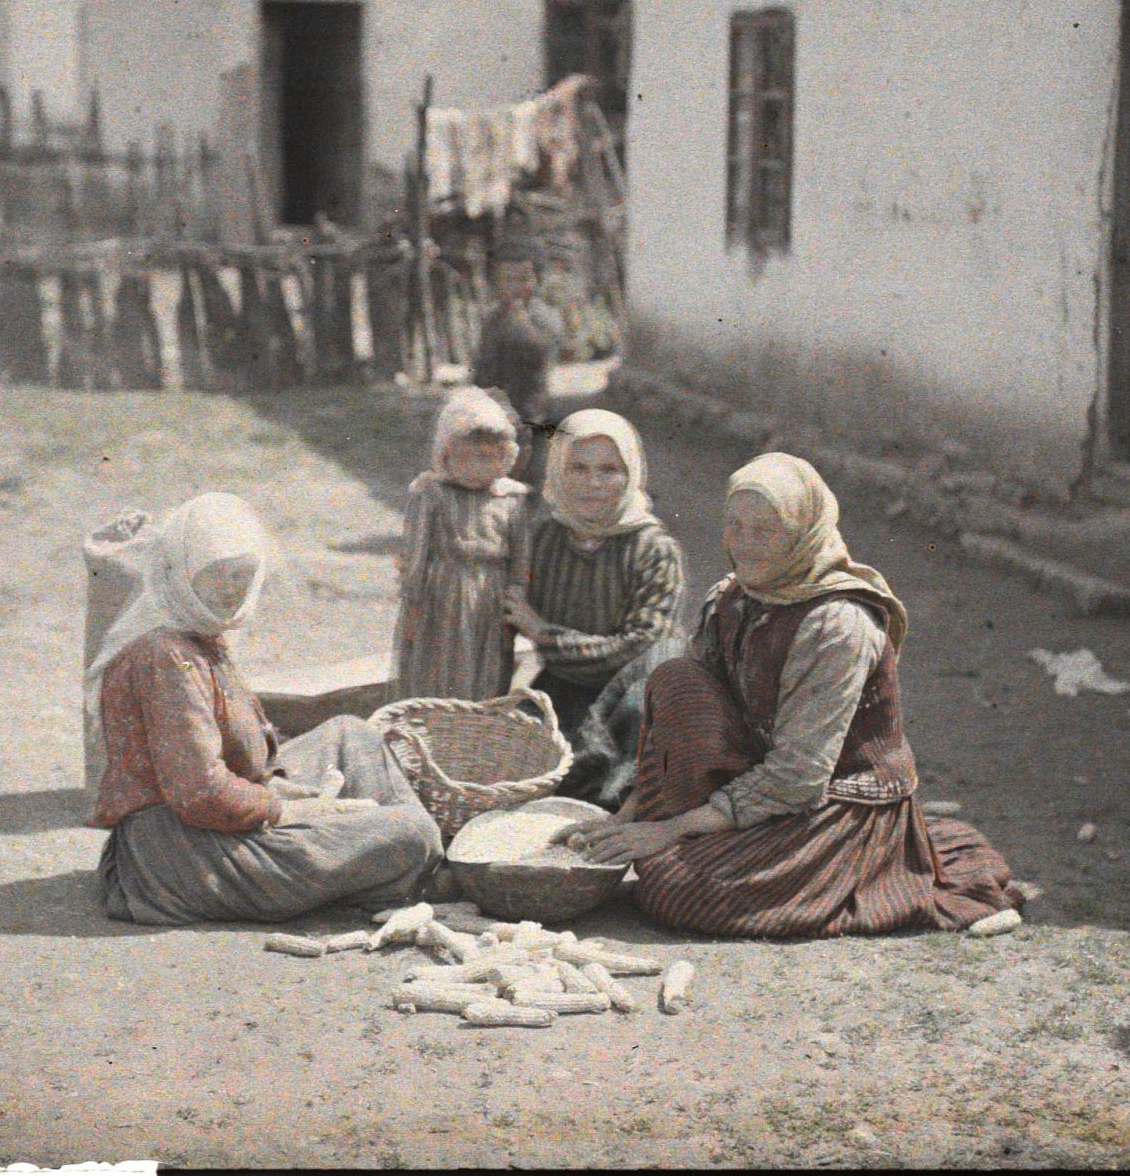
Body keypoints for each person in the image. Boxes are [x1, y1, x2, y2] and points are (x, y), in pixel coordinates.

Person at [561, 453, 1022, 938]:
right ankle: (704, 834)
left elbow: (800, 775)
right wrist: (627, 816)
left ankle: (887, 861)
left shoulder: (837, 625)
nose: (745, 545)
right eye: (735, 527)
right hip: (763, 774)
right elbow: (679, 724)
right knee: (677, 680)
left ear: (805, 532)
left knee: (677, 887)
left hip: (832, 798)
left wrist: (668, 829)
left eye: (765, 531)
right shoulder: (733, 597)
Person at [90, 493, 444, 926]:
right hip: (181, 855)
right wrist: (287, 810)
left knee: (351, 735)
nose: (232, 589)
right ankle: (409, 864)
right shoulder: (167, 657)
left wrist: (279, 790)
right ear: (180, 573)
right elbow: (200, 792)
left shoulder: (197, 634)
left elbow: (230, 762)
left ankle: (407, 863)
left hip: (216, 815)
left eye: (243, 574)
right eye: (216, 574)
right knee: (411, 834)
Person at [503, 409, 685, 809]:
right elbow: (507, 606)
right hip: (562, 687)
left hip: (632, 698)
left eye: (609, 470)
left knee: (605, 784)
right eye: (578, 468)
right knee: (518, 763)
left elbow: (635, 648)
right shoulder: (546, 538)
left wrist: (544, 634)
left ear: (631, 473)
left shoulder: (653, 549)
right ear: (558, 471)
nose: (593, 483)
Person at [388, 387, 531, 704]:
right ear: (445, 455)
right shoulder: (431, 493)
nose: (475, 469)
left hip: (491, 597)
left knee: (488, 666)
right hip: (443, 595)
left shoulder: (510, 499)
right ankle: (437, 718)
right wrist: (413, 602)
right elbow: (416, 552)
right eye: (464, 458)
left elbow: (521, 558)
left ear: (505, 457)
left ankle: (477, 720)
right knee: (440, 664)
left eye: (486, 458)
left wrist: (516, 598)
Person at [469, 236, 563, 488]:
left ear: (537, 280)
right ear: (496, 283)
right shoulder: (491, 318)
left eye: (523, 279)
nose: (515, 287)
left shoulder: (544, 317)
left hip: (533, 416)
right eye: (507, 280)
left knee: (532, 481)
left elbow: (540, 353)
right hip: (494, 416)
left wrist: (519, 319)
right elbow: (482, 365)